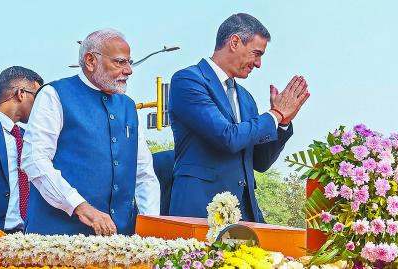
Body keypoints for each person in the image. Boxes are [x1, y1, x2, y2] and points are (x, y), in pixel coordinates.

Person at [169, 13, 310, 222]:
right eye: (256, 53)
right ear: (234, 42)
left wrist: (282, 123)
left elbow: (260, 162)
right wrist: (276, 114)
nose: (259, 63)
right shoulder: (188, 81)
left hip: (245, 215)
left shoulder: (245, 98)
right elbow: (227, 137)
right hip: (199, 212)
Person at [21, 29, 160, 236]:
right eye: (120, 62)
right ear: (90, 61)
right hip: (58, 240)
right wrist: (81, 207)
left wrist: (150, 231)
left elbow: (144, 174)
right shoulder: (55, 95)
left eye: (129, 62)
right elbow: (34, 160)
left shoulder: (128, 106)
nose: (129, 70)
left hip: (119, 243)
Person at [0, 66, 43, 233]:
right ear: (21, 93)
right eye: (38, 97)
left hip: (24, 239)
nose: (41, 105)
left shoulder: (29, 139)